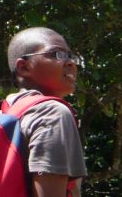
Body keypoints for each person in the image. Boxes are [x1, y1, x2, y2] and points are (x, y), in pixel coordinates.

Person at [5, 26, 86, 197]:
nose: (70, 63)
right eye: (57, 54)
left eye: (70, 56)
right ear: (24, 67)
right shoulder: (52, 113)